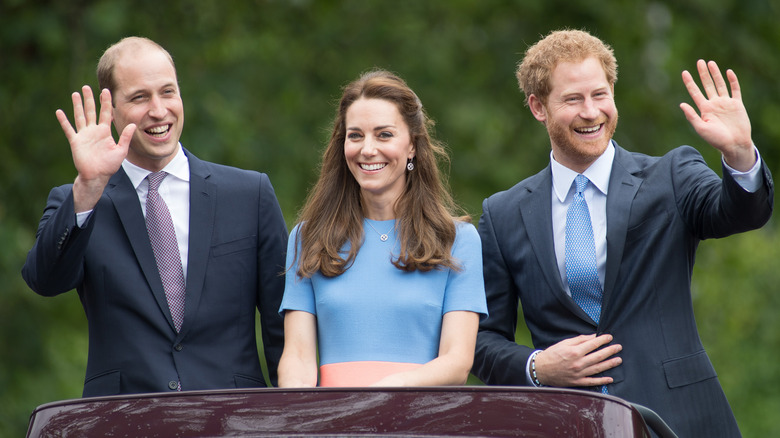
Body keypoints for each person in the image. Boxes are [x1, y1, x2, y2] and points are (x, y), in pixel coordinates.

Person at [472, 29, 773, 437]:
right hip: (566, 423)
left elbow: (740, 214)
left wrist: (739, 154)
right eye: (573, 99)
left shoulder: (671, 174)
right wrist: (537, 367)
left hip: (682, 419)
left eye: (600, 95)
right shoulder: (503, 213)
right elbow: (483, 341)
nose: (591, 112)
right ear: (538, 107)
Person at [22, 37, 288, 397]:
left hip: (233, 419)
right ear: (110, 109)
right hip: (123, 421)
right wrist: (88, 186)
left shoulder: (249, 195)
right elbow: (44, 280)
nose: (159, 110)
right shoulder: (79, 199)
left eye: (167, 92)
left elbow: (282, 331)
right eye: (139, 97)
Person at [277, 70, 487, 387]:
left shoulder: (458, 240)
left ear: (412, 146)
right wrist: (302, 416)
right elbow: (298, 356)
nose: (368, 149)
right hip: (331, 425)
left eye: (384, 135)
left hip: (420, 421)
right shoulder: (308, 238)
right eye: (356, 135)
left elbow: (457, 362)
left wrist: (383, 395)